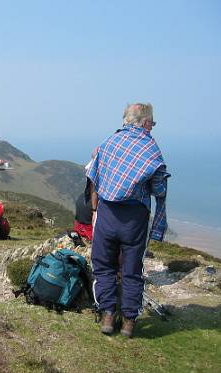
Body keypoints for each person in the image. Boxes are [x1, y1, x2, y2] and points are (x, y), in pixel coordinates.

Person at [86, 103, 170, 338]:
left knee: (103, 266)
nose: (152, 128)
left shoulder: (109, 142)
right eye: (152, 123)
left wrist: (95, 207)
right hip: (134, 219)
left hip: (107, 214)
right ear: (144, 122)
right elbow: (158, 186)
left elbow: (94, 174)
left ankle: (108, 315)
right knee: (132, 270)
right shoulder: (150, 148)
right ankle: (129, 322)